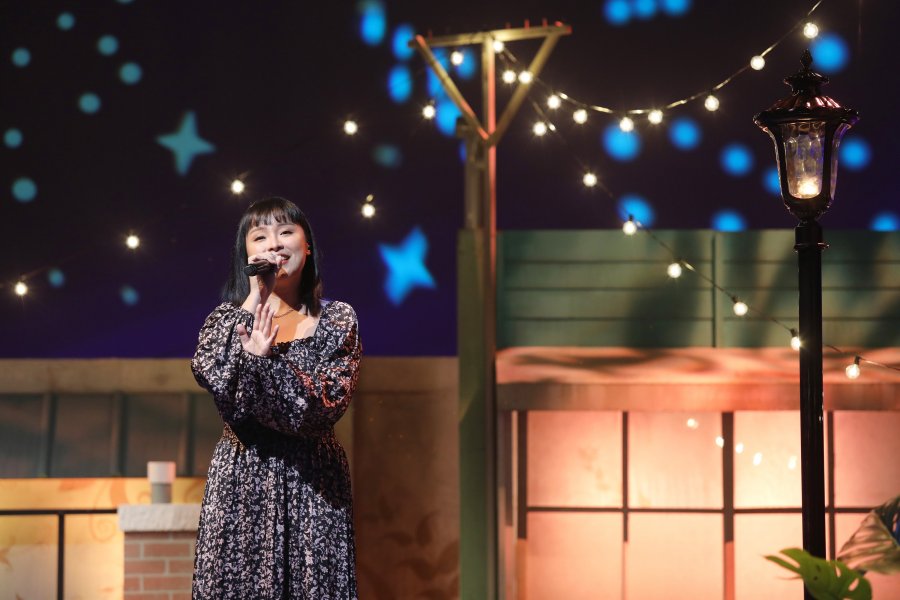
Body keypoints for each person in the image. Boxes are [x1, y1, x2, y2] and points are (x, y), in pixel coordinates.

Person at [190, 196, 361, 599]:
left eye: (286, 232)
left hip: (313, 481)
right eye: (260, 236)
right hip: (243, 476)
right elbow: (211, 371)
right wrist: (254, 298)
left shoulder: (337, 319)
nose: (274, 244)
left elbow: (321, 407)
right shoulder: (227, 319)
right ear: (246, 254)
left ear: (307, 246)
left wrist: (267, 364)